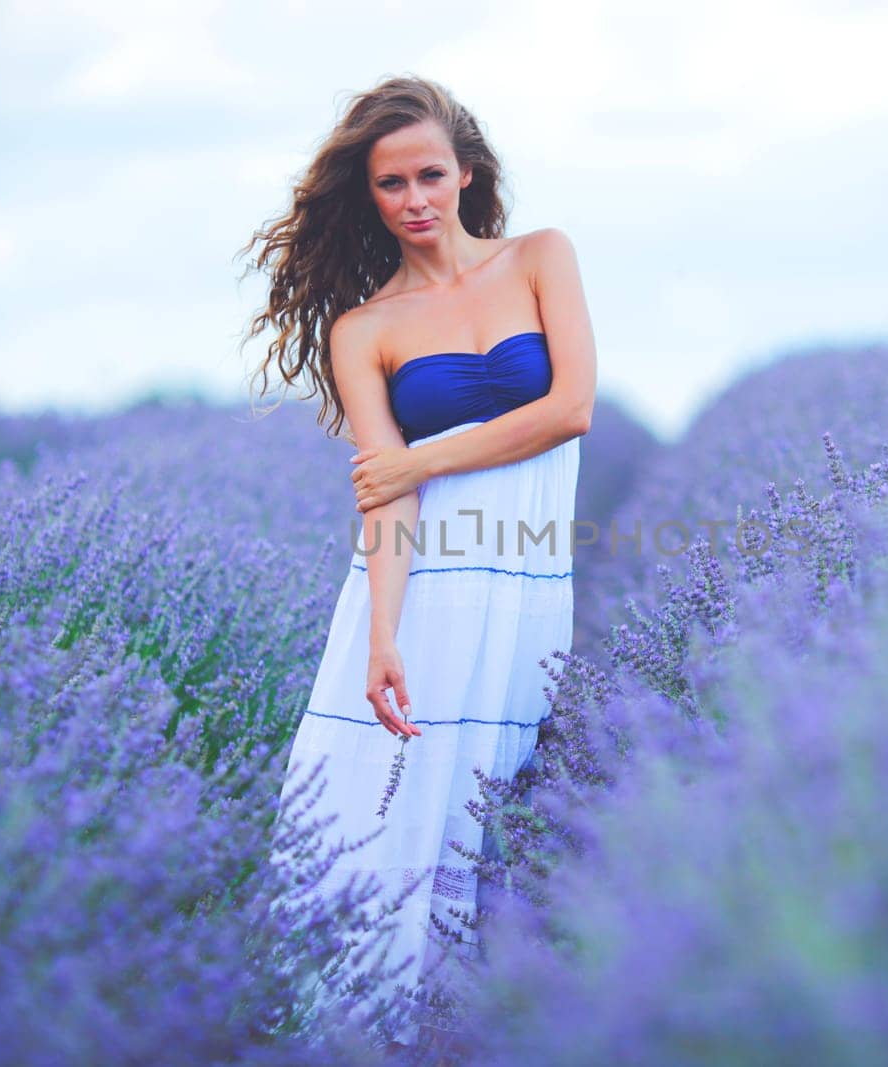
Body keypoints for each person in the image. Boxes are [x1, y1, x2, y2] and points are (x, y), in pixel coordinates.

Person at [238, 74, 596, 1051]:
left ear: (466, 172)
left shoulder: (540, 258)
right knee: (390, 833)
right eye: (391, 184)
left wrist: (419, 453)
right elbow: (383, 494)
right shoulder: (365, 329)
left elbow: (569, 408)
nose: (414, 199)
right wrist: (382, 637)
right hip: (421, 600)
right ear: (370, 196)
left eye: (429, 174)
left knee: (500, 820)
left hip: (519, 591)